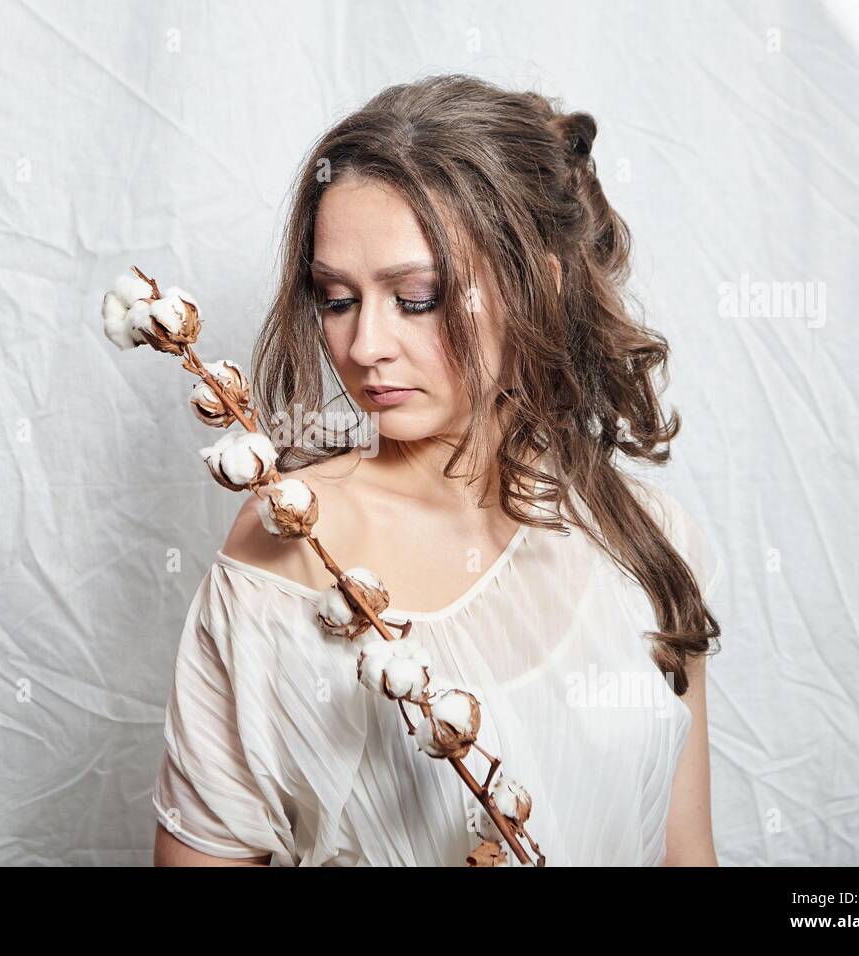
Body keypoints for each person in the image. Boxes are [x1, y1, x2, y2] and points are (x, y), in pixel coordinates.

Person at [152, 73, 723, 866]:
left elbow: (685, 854)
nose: (363, 347)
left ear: (538, 289)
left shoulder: (647, 542)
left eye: (416, 297)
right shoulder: (291, 547)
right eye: (337, 298)